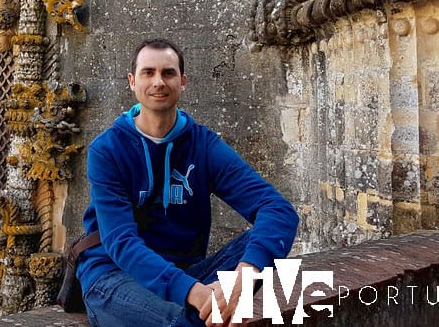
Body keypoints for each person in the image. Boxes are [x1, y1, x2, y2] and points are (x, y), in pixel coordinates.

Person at [77, 38, 299, 327]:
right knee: (183, 321)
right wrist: (196, 293)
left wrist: (244, 277)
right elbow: (121, 242)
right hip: (113, 276)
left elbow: (278, 210)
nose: (158, 82)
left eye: (168, 73)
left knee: (264, 249)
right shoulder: (107, 149)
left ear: (182, 82)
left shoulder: (203, 145)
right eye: (148, 73)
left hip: (188, 272)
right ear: (132, 81)